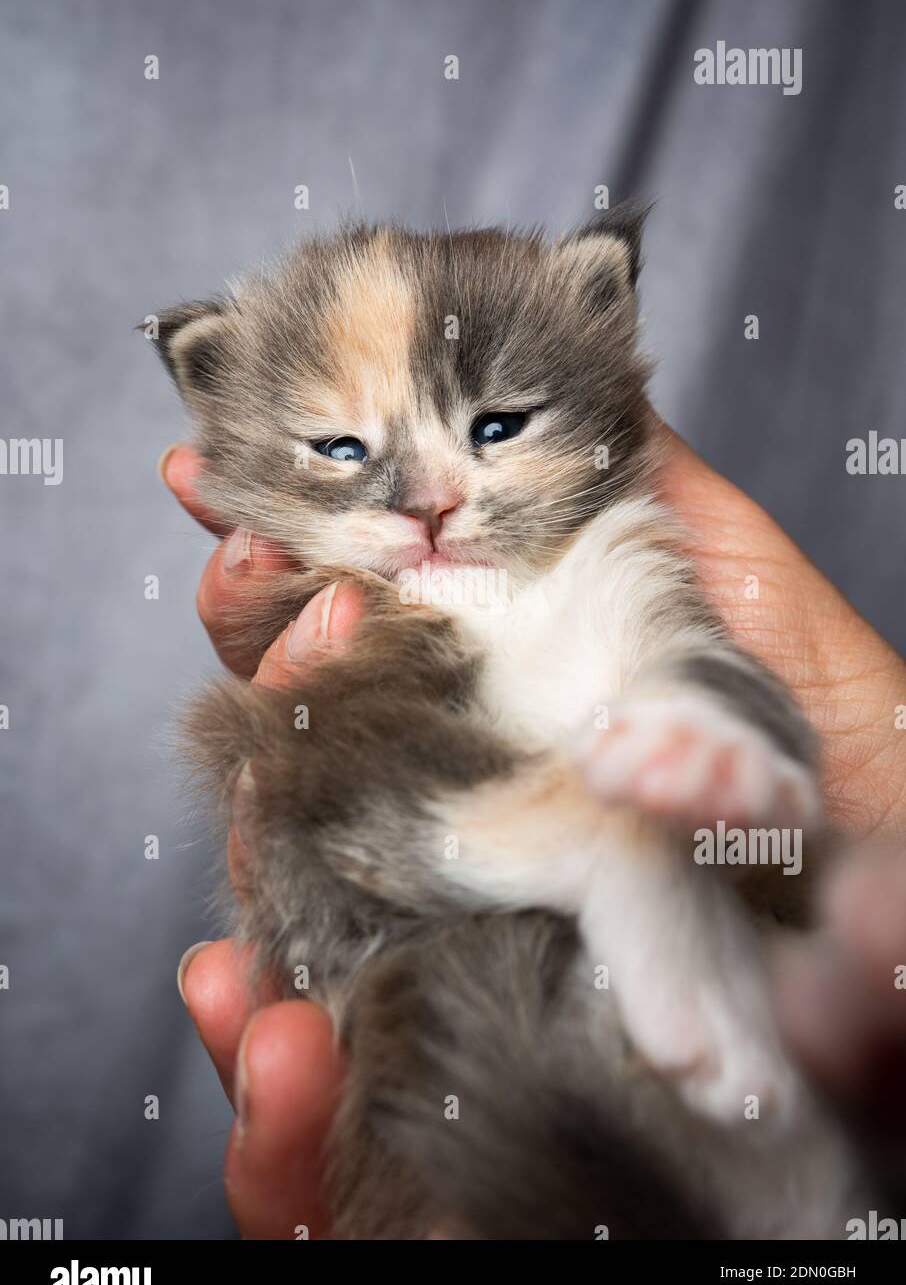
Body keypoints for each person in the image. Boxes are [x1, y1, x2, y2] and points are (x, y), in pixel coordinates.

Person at [160, 425, 906, 1239]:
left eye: (493, 425)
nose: (428, 500)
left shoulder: (614, 552)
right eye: (346, 448)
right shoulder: (354, 641)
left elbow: (739, 728)